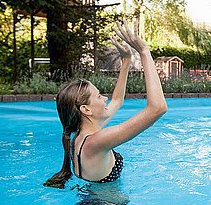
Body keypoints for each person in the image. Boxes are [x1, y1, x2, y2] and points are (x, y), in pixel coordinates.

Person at [44, 18, 167, 188]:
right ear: (86, 109)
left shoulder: (78, 137)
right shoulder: (97, 141)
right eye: (99, 95)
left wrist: (126, 62)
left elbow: (118, 100)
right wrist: (144, 52)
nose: (105, 99)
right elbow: (158, 108)